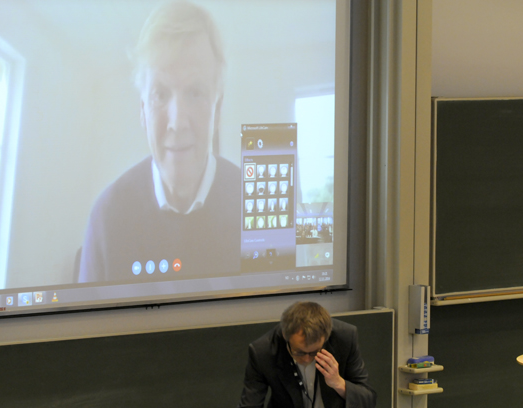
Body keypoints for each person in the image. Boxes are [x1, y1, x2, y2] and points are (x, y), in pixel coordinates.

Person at [78, 1, 240, 283]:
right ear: (142, 110)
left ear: (218, 108)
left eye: (195, 92)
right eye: (160, 94)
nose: (177, 122)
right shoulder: (107, 217)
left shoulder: (256, 208)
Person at [237, 302, 377, 408]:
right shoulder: (264, 351)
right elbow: (250, 404)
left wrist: (338, 383)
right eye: (299, 352)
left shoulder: (344, 338)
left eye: (314, 352)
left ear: (326, 337)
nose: (306, 359)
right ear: (286, 335)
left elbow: (368, 399)